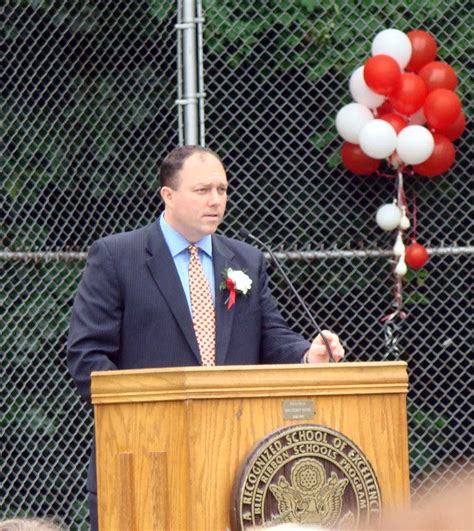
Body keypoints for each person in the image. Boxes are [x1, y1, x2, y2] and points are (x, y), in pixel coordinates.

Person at [67, 145, 345, 530]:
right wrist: (136, 417)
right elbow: (88, 355)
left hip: (234, 455)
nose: (216, 201)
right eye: (202, 191)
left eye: (223, 189)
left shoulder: (246, 259)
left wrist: (306, 355)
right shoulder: (118, 257)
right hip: (147, 456)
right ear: (168, 195)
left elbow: (271, 336)